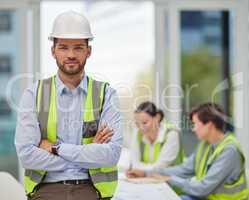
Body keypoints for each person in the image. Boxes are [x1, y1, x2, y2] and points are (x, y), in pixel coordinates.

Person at [15, 11, 122, 200]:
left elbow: (111, 154)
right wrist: (86, 156)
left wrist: (56, 148)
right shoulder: (33, 94)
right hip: (46, 190)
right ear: (53, 51)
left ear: (89, 51)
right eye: (63, 47)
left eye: (78, 47)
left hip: (91, 190)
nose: (71, 55)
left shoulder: (107, 95)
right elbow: (26, 155)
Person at [126, 102, 249, 200]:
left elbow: (203, 188)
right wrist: (148, 173)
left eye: (195, 124)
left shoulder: (229, 150)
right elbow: (184, 169)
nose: (193, 129)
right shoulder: (205, 144)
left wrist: (168, 178)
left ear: (209, 125)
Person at [130, 101, 184, 170]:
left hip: (171, 179)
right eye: (137, 124)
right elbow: (134, 164)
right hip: (147, 178)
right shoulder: (137, 133)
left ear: (157, 118)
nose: (141, 127)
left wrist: (140, 168)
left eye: (144, 122)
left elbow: (161, 167)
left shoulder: (171, 133)